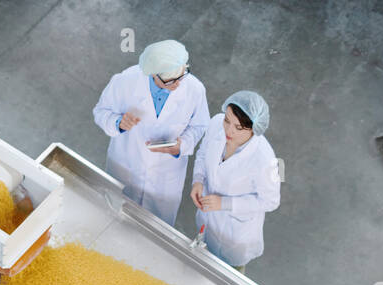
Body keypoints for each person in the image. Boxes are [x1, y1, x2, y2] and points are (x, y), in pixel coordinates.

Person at [92, 40, 210, 226]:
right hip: (125, 166)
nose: (177, 84)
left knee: (155, 231)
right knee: (112, 222)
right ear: (153, 74)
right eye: (170, 81)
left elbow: (200, 125)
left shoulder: (194, 89)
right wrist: (118, 122)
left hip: (165, 178)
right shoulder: (126, 81)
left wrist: (182, 145)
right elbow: (100, 112)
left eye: (181, 76)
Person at [190, 91, 280, 271]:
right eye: (227, 121)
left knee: (225, 281)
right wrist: (198, 180)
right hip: (207, 217)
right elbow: (202, 152)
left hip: (235, 234)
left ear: (254, 128)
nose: (228, 130)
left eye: (238, 128)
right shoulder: (217, 123)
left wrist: (224, 203)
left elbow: (271, 201)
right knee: (198, 265)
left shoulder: (266, 160)